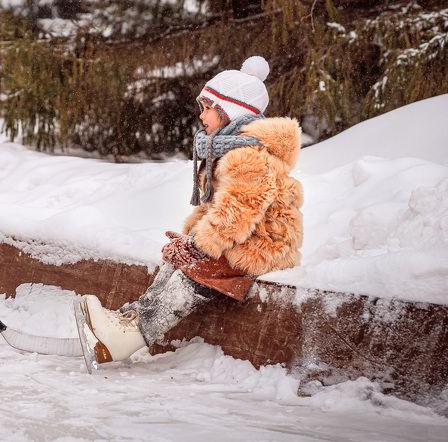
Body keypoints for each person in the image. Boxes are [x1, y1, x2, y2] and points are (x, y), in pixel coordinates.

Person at [74, 56, 304, 369]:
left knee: (200, 266)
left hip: (263, 246)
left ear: (230, 112)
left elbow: (237, 212)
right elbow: (216, 209)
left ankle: (133, 336)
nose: (202, 115)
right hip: (243, 238)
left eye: (209, 107)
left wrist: (198, 244)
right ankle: (131, 318)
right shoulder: (229, 149)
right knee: (181, 259)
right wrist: (191, 239)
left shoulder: (248, 156)